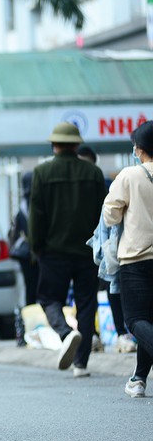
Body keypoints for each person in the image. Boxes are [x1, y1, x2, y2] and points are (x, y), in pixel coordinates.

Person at [28, 122, 107, 377]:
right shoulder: (93, 173)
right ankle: (81, 364)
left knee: (49, 299)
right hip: (87, 252)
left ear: (54, 145)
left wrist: (36, 247)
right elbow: (102, 214)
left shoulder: (42, 173)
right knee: (86, 304)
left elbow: (36, 216)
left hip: (53, 252)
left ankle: (65, 333)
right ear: (76, 145)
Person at [102, 120, 153, 397]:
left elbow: (110, 214)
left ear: (140, 149)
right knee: (150, 321)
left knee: (134, 320)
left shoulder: (130, 176)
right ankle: (138, 379)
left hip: (136, 258)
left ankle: (139, 378)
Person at [77, 145, 137, 353]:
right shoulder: (74, 186)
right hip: (82, 249)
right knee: (87, 295)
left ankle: (121, 333)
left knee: (113, 288)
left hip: (105, 247)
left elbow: (111, 216)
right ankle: (91, 336)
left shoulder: (103, 183)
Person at [8, 171, 38, 308]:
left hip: (25, 255)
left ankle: (31, 318)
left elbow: (14, 232)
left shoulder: (22, 206)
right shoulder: (39, 202)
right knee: (40, 288)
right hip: (40, 252)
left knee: (29, 287)